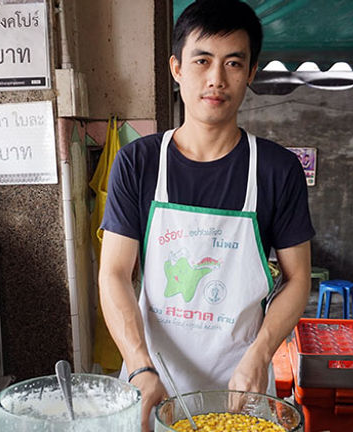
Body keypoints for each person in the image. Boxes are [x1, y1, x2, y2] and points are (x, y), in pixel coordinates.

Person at [98, 1, 314, 429]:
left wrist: (261, 353)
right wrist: (140, 368)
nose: (216, 78)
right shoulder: (139, 163)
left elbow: (298, 279)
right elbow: (114, 274)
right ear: (177, 68)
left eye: (234, 63)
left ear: (251, 73)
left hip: (242, 386)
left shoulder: (275, 169)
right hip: (153, 382)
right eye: (202, 60)